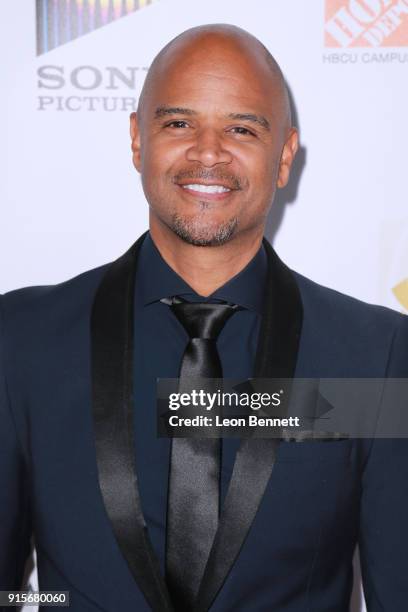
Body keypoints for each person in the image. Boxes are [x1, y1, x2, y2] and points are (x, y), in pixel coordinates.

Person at [0, 23, 407, 612]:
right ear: (139, 139)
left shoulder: (375, 357)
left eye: (241, 128)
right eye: (179, 123)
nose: (208, 152)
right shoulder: (22, 340)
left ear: (284, 154)